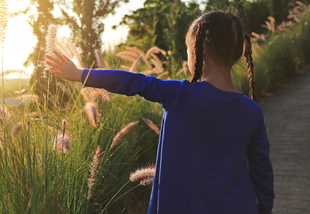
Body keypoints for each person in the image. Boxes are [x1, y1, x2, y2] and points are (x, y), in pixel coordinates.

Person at [46, 11, 274, 214]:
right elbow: (262, 175)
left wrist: (81, 74)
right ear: (237, 54)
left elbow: (132, 81)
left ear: (195, 50)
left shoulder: (178, 95)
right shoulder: (252, 112)